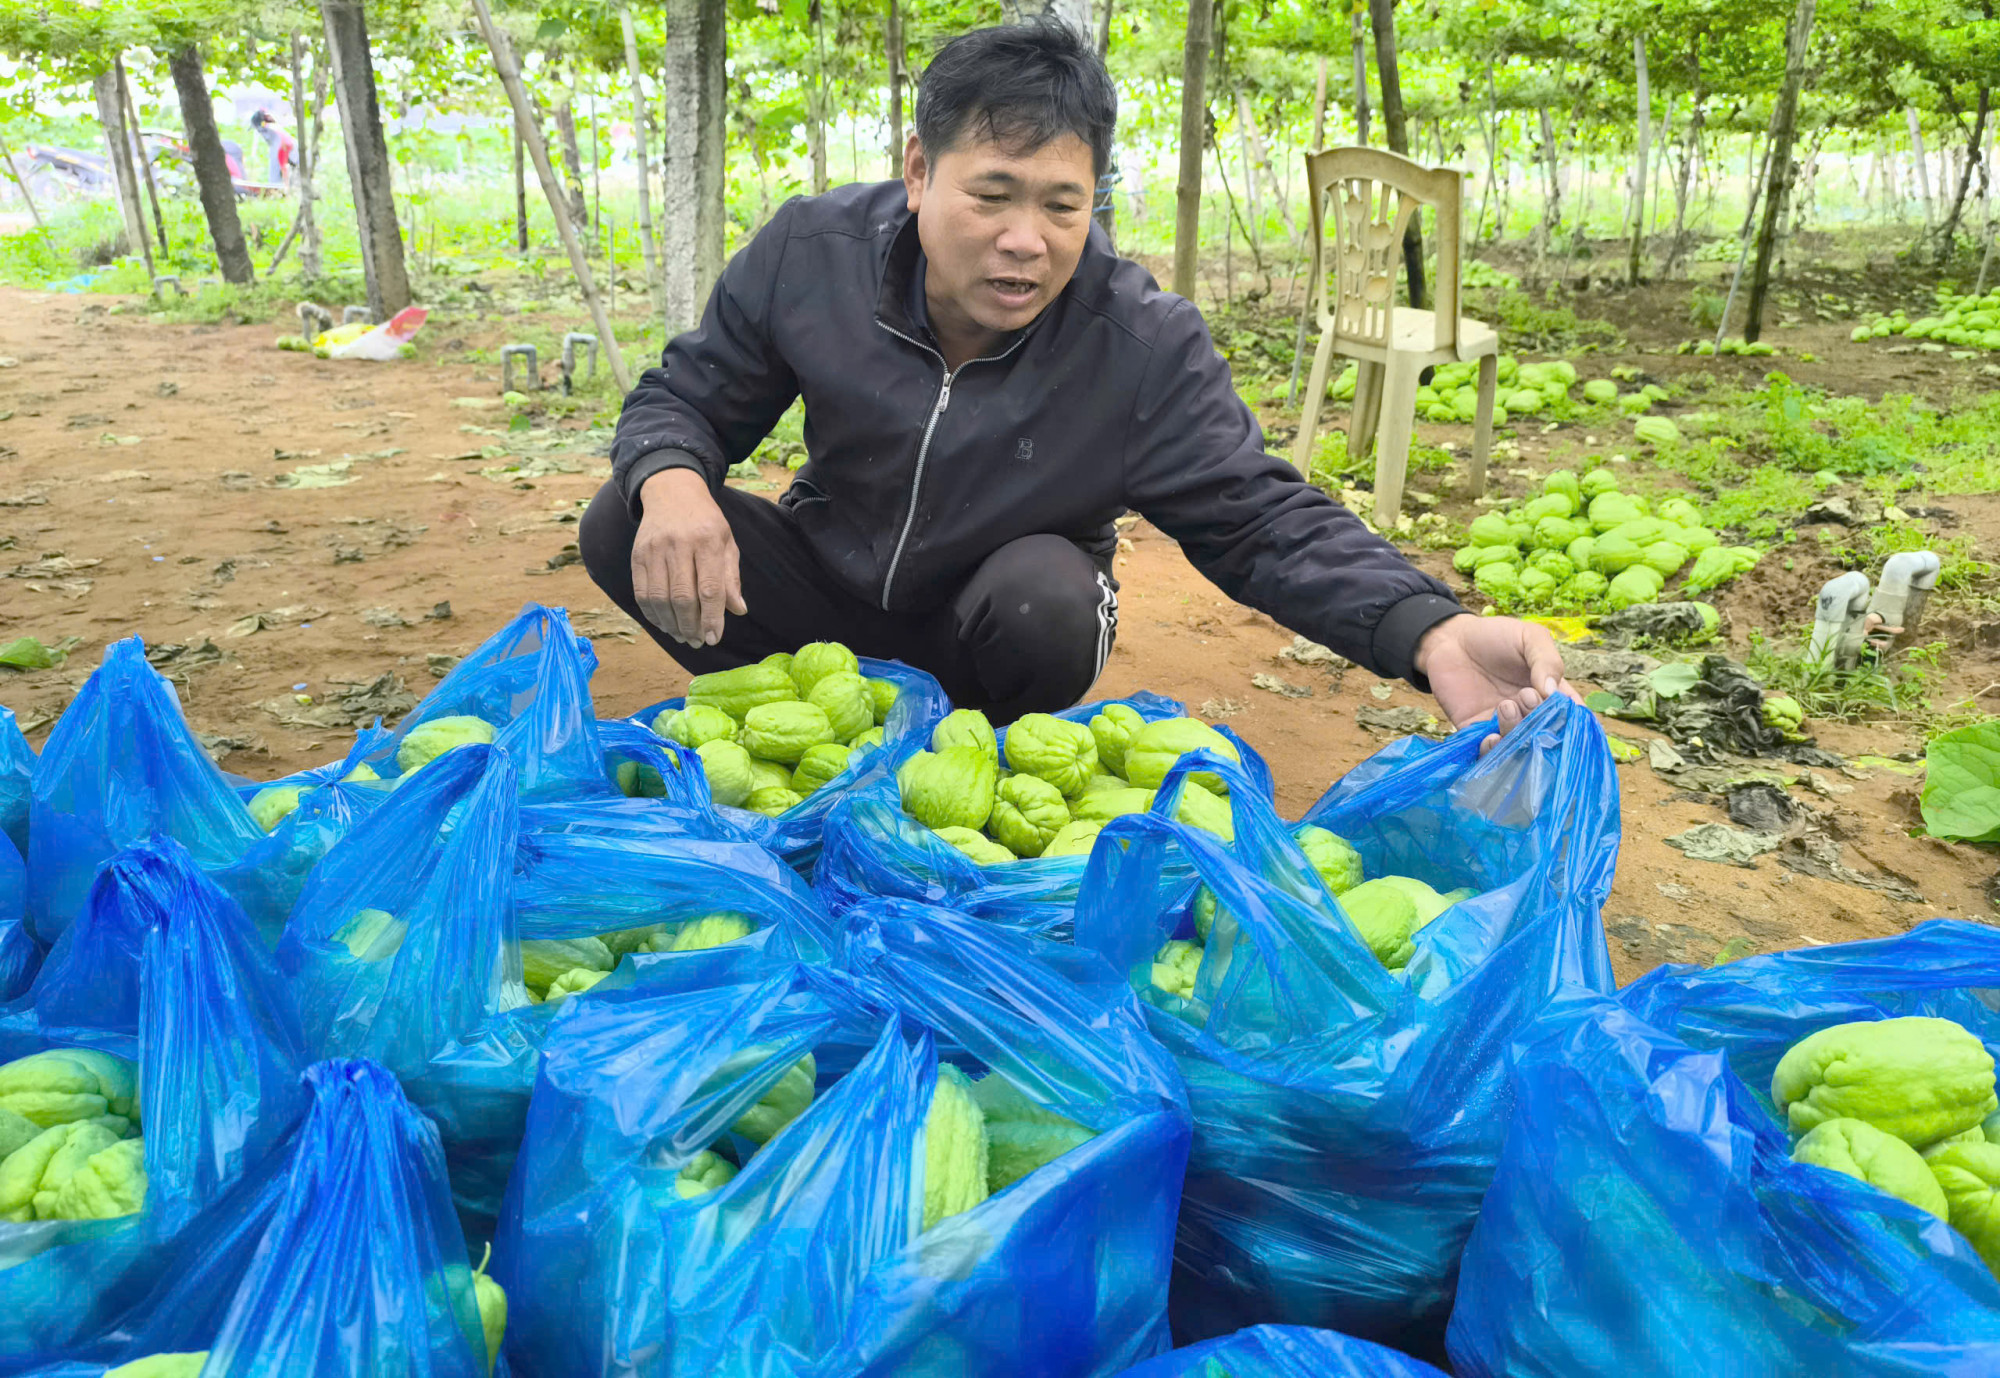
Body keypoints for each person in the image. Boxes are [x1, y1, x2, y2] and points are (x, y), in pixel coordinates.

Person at [583, 19, 1572, 744]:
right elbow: (686, 396)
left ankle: (969, 753)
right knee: (625, 519)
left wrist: (1429, 628)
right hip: (827, 589)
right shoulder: (816, 252)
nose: (1027, 241)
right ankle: (804, 741)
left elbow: (1258, 516)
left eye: (1063, 205)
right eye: (992, 196)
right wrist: (669, 477)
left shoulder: (1139, 343)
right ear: (920, 171)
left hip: (991, 630)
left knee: (1047, 599)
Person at [248, 109, 295, 186]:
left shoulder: (270, 130)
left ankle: (278, 188)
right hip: (286, 149)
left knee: (277, 174)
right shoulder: (274, 128)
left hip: (283, 149)